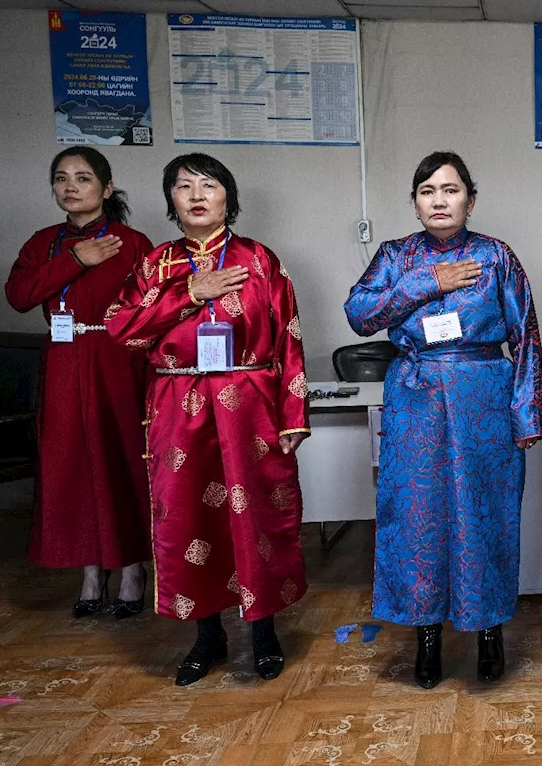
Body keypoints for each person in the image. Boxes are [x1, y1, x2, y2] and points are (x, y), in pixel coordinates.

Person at [106, 153, 310, 686]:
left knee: (252, 520)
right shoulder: (155, 266)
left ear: (228, 197)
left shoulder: (260, 261)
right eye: (183, 186)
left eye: (209, 185)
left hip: (249, 406)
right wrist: (188, 294)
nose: (196, 194)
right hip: (177, 406)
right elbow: (121, 329)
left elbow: (288, 339)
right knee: (189, 519)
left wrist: (293, 417)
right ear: (171, 200)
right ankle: (207, 634)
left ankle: (263, 631)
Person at [344, 151, 542, 690]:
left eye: (451, 189)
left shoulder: (496, 256)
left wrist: (525, 414)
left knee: (485, 515)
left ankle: (489, 632)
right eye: (428, 190)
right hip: (416, 399)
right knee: (417, 517)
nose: (439, 199)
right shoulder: (394, 257)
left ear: (470, 200)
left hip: (483, 397)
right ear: (415, 203)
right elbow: (359, 313)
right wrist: (426, 282)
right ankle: (426, 637)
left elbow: (525, 334)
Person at [5, 148, 153, 619]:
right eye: (61, 178)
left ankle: (131, 569)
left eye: (83, 178)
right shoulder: (43, 243)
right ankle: (90, 572)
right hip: (64, 361)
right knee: (71, 467)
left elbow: (152, 308)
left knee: (119, 462)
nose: (70, 186)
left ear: (106, 189)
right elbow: (19, 297)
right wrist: (75, 259)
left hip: (116, 360)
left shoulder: (132, 242)